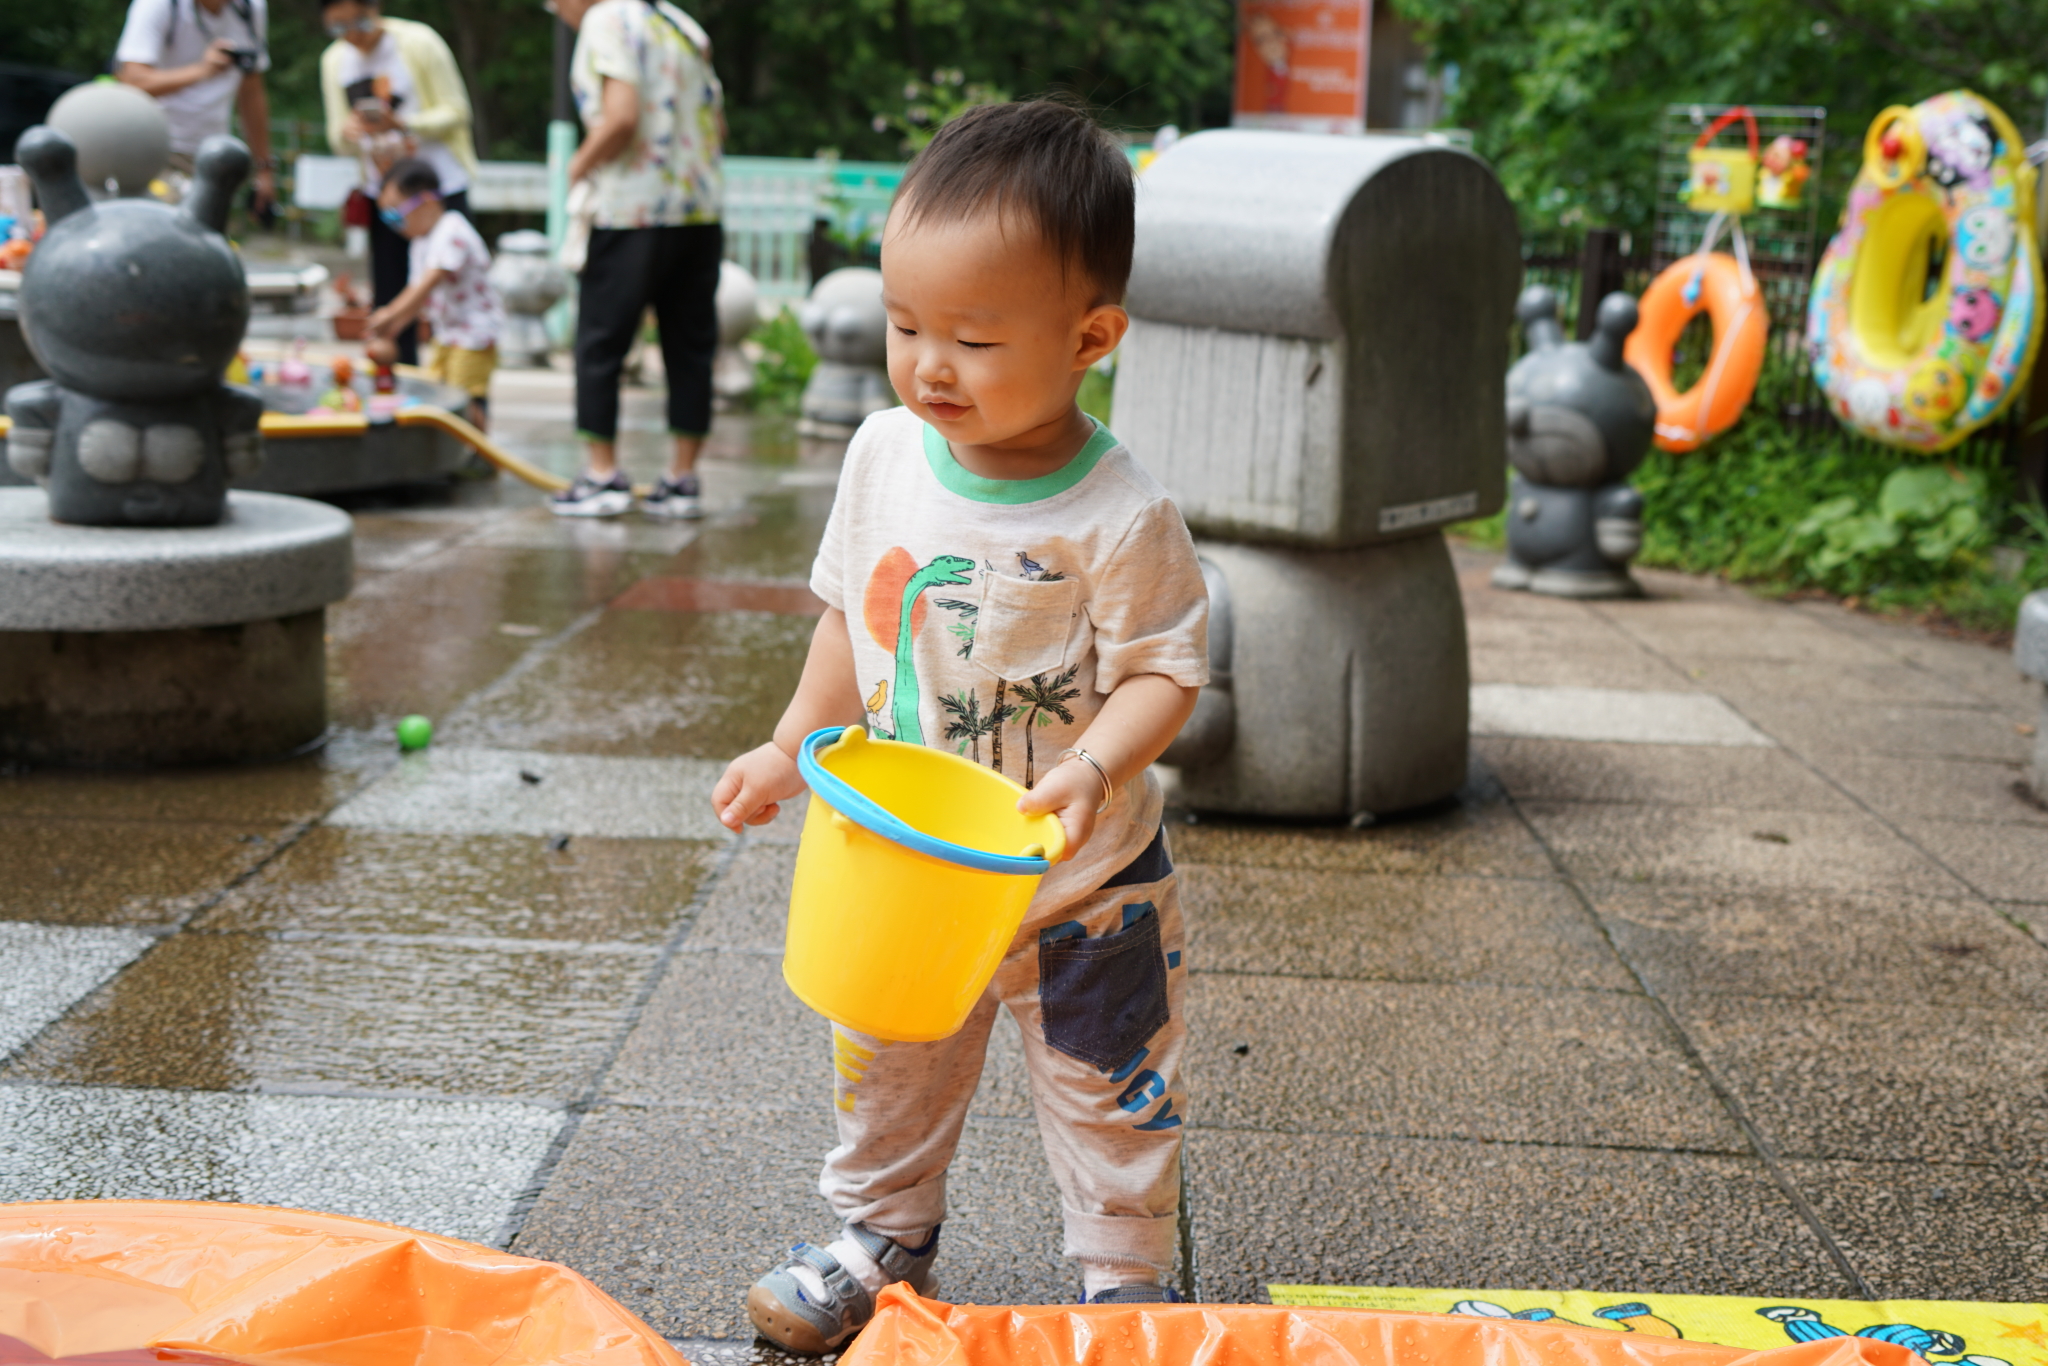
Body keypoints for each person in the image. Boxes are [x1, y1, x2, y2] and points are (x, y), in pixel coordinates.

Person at [710, 101, 1211, 1351]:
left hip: (1079, 882)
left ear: (1090, 336)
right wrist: (786, 743)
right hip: (908, 874)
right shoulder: (884, 456)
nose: (929, 365)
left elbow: (1165, 672)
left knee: (1110, 1090)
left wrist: (1098, 763)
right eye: (905, 326)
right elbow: (846, 621)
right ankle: (876, 1234)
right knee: (884, 1072)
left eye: (974, 340)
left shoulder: (1119, 515)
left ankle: (1122, 1275)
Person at [546, 0, 724, 520]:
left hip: (631, 211)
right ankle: (682, 480)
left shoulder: (608, 20)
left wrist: (577, 167)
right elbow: (718, 125)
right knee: (690, 346)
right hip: (699, 209)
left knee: (601, 342)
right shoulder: (682, 24)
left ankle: (602, 477)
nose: (557, 10)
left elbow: (621, 117)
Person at [318, 0, 477, 366]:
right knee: (390, 292)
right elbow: (337, 137)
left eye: (356, 23)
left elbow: (457, 111)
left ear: (374, 8)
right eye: (338, 29)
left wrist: (402, 124)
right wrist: (349, 131)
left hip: (435, 194)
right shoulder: (334, 60)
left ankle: (459, 387)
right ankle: (398, 384)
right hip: (385, 197)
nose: (351, 36)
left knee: (448, 288)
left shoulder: (418, 43)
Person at [364, 158, 502, 430]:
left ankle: (478, 454)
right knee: (441, 394)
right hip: (448, 334)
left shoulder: (452, 230)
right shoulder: (421, 241)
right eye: (386, 217)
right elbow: (417, 297)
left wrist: (390, 313)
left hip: (474, 334)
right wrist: (391, 330)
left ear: (426, 201)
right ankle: (458, 450)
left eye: (395, 214)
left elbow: (428, 283)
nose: (395, 225)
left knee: (466, 397)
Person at [114, 0, 276, 212]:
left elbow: (251, 92)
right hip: (155, 152)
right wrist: (201, 71)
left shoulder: (251, 8)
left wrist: (264, 168)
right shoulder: (157, 5)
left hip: (212, 157)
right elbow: (132, 81)